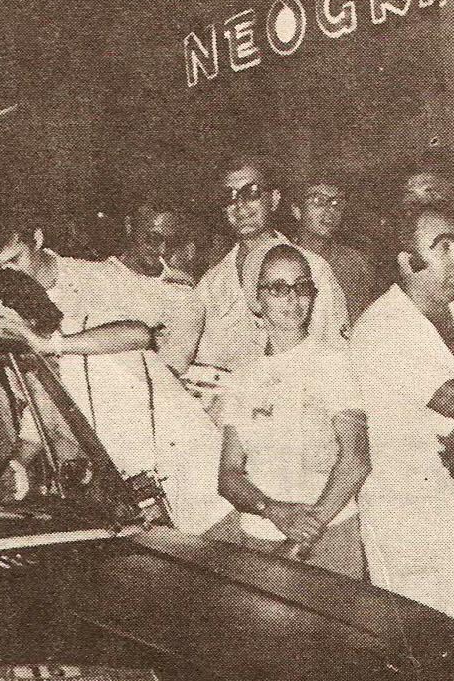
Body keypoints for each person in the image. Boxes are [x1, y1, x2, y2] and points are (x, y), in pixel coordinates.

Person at [0, 214, 233, 535]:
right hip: (146, 489)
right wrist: (16, 466)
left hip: (194, 473)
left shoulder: (82, 318)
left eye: (14, 261)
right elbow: (42, 413)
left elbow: (139, 333)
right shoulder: (36, 351)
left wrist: (50, 343)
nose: (10, 274)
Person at [351, 204, 454, 659]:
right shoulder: (384, 328)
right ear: (407, 261)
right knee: (435, 663)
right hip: (411, 525)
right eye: (442, 247)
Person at [212, 241, 371, 577]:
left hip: (329, 536)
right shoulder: (243, 376)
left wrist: (302, 535)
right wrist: (273, 511)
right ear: (257, 300)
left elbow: (355, 460)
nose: (292, 298)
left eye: (302, 287)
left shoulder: (333, 361)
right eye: (278, 288)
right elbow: (228, 475)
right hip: (258, 538)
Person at [162, 160, 350, 405]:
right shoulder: (212, 283)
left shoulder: (314, 269)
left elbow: (337, 359)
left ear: (274, 199)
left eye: (251, 193)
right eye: (230, 197)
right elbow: (177, 359)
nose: (240, 206)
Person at [289, 178, 382, 325]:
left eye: (336, 203)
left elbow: (364, 325)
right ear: (297, 210)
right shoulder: (277, 260)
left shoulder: (356, 264)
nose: (330, 210)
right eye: (318, 201)